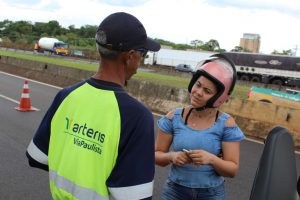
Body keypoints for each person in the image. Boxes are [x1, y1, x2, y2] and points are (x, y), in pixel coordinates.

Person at [26, 12, 161, 200]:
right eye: (143, 54)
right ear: (130, 56)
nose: (142, 60)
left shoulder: (66, 95)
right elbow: (135, 196)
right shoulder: (137, 116)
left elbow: (37, 157)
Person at [155, 54, 245, 200]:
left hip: (211, 194)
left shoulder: (226, 124)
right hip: (175, 192)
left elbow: (232, 170)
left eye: (207, 91)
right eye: (198, 85)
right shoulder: (173, 117)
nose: (198, 92)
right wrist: (172, 156)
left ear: (219, 98)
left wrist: (211, 159)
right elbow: (156, 155)